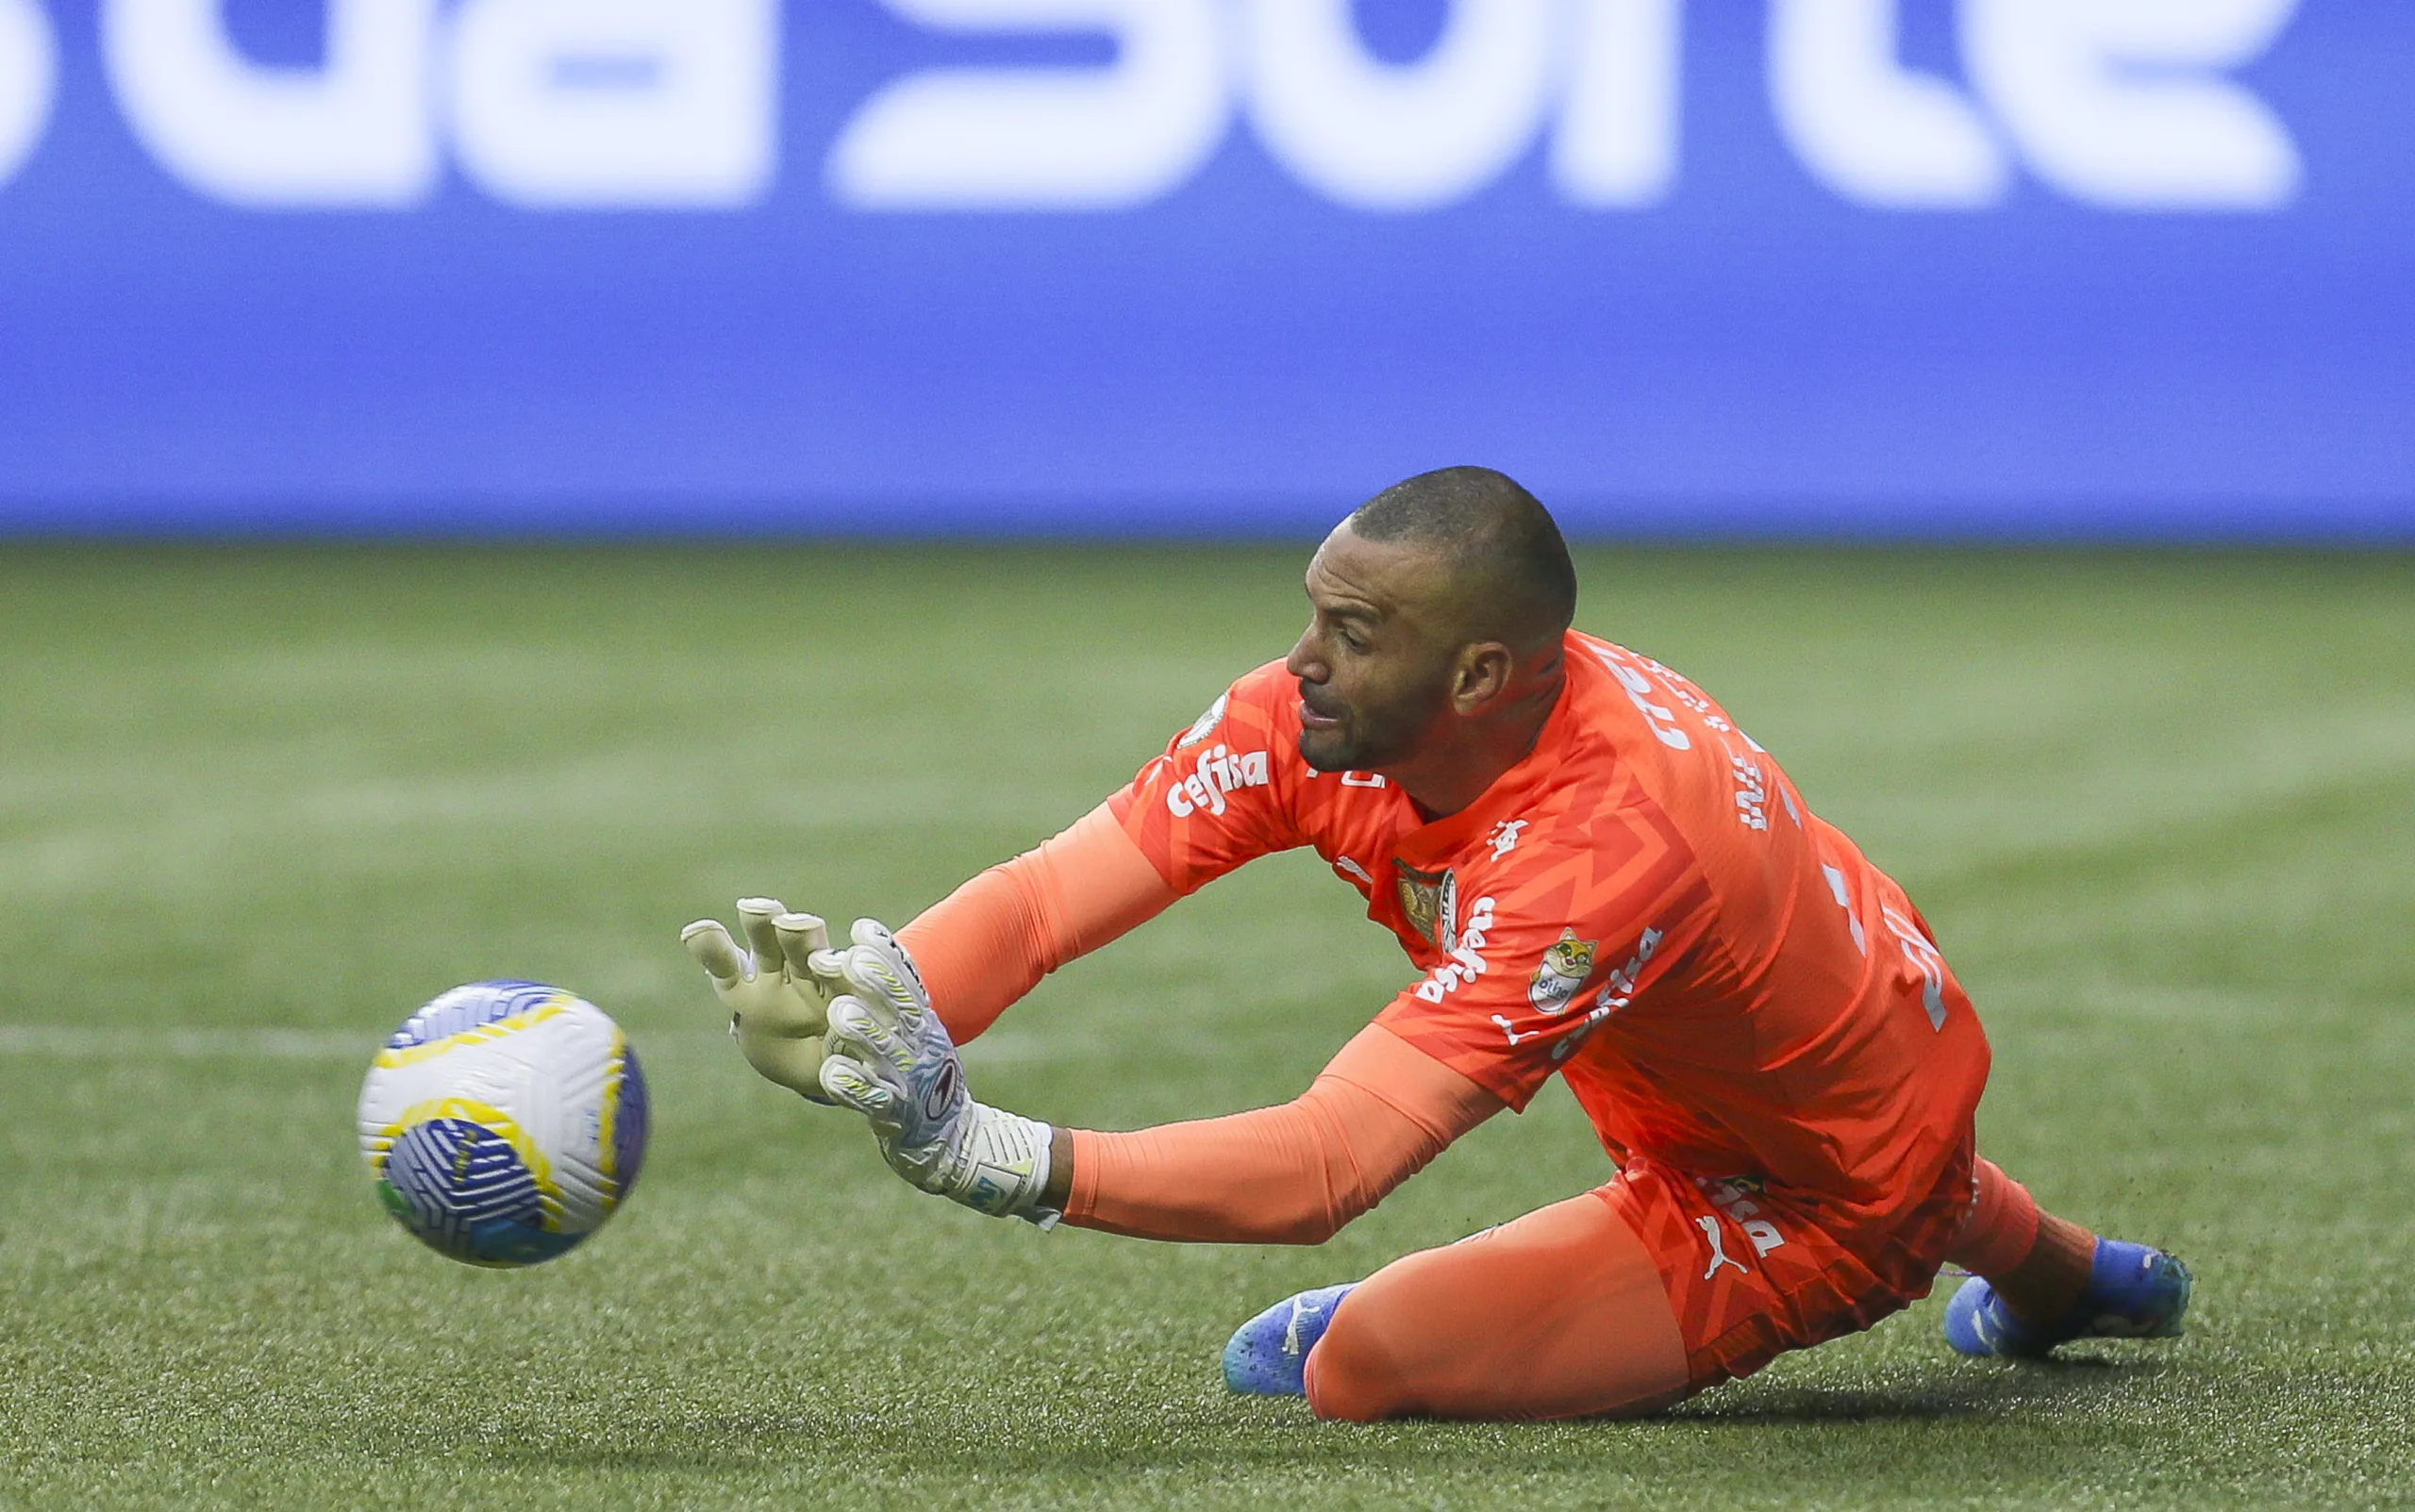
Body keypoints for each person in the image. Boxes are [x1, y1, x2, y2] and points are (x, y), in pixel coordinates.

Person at [681, 466, 2190, 1421]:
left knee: (1344, 1367)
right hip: (1804, 1030)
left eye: (1351, 630)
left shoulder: (1601, 854)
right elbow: (1053, 896)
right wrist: (870, 1010)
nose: (1297, 662)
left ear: (1477, 673)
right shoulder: (1326, 719)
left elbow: (1324, 1168)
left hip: (1812, 1180)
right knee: (1786, 1097)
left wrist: (987, 1156)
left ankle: (1951, 1236)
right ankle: (2064, 1272)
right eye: (1312, 614)